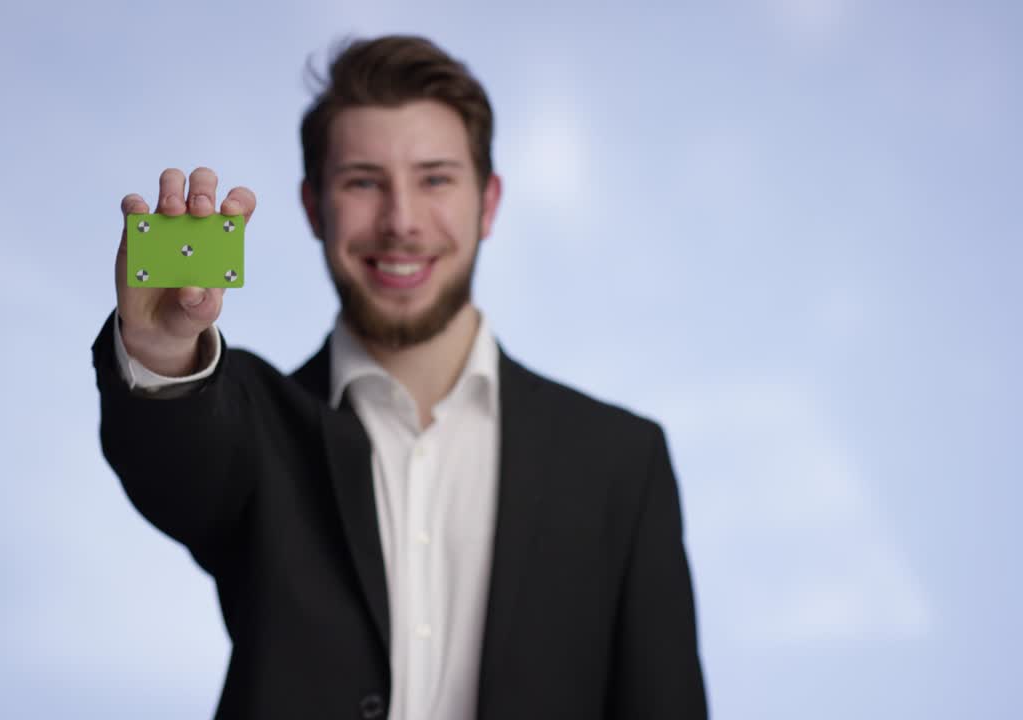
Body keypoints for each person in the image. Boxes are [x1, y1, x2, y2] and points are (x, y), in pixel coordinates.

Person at [92, 34, 706, 720]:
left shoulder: (620, 460)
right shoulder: (257, 433)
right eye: (362, 181)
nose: (401, 221)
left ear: (490, 201)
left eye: (436, 178)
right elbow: (173, 459)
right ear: (313, 207)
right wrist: (160, 348)